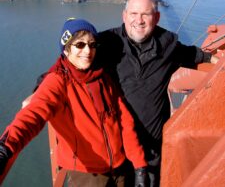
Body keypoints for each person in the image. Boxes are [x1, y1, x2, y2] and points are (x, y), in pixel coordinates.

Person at [0, 18, 149, 187]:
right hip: (88, 176)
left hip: (120, 169)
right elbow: (33, 114)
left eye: (92, 45)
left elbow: (124, 121)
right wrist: (6, 147)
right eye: (80, 45)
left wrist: (139, 165)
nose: (88, 51)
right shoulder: (58, 81)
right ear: (66, 49)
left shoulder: (102, 77)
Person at [98, 0, 218, 187]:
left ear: (157, 18)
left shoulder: (168, 44)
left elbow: (189, 53)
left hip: (151, 147)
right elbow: (72, 61)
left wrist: (213, 59)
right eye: (134, 14)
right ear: (124, 16)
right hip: (114, 145)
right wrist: (41, 88)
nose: (139, 20)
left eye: (146, 14)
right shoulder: (106, 42)